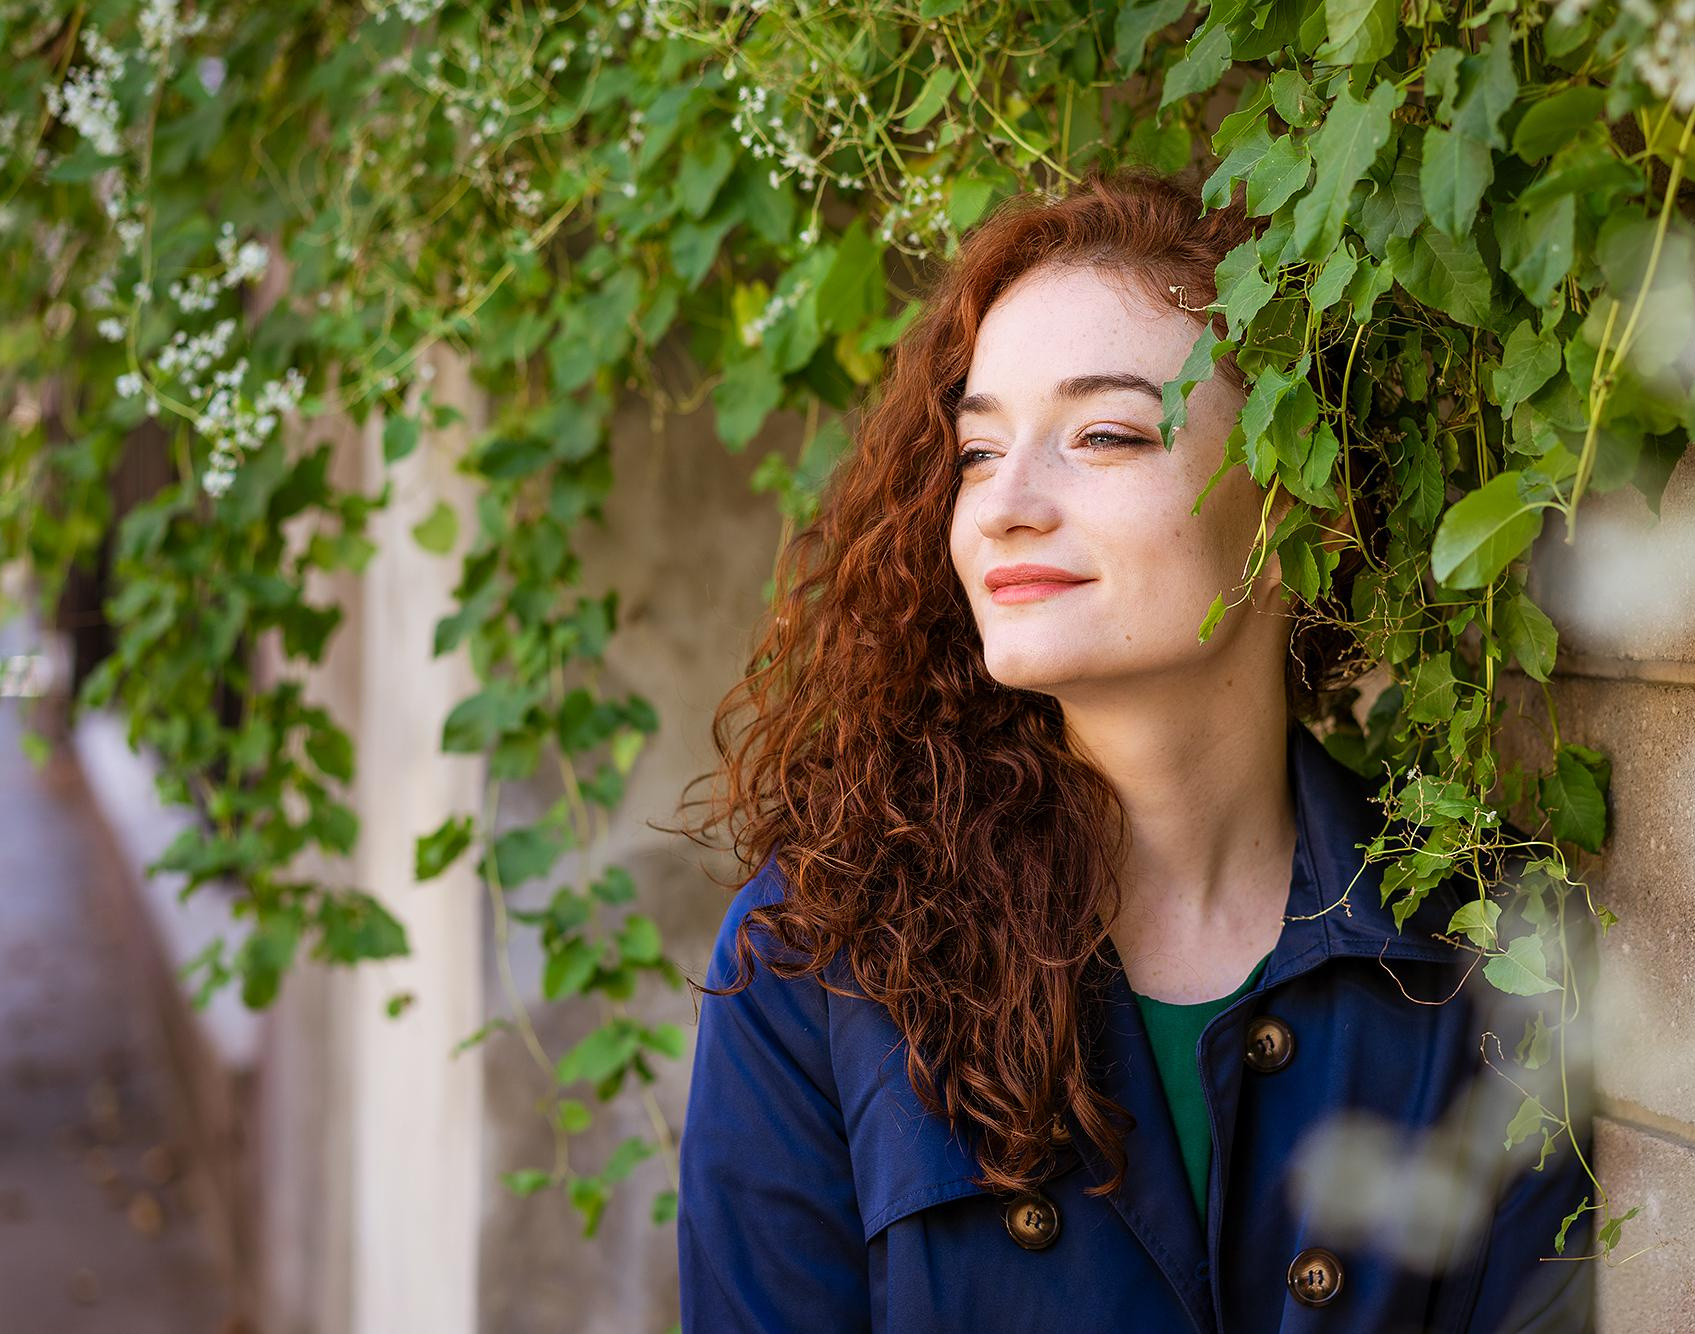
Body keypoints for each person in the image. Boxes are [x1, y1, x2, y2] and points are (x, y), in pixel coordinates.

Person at [673, 166, 1597, 1332]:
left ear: (1294, 505)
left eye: (1102, 434)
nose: (1005, 503)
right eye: (974, 451)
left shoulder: (1480, 950)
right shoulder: (821, 955)